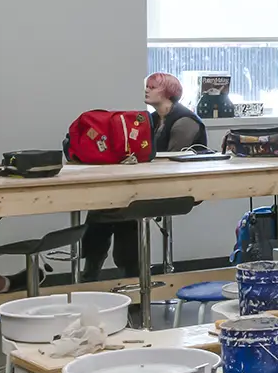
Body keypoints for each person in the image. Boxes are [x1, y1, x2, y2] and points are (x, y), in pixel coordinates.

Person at [82, 73, 207, 280]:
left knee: (119, 207)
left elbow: (169, 163)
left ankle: (113, 275)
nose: (146, 89)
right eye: (146, 86)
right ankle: (122, 274)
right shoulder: (151, 119)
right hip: (152, 183)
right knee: (107, 204)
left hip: (177, 187)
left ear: (168, 92)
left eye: (152, 87)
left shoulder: (184, 122)